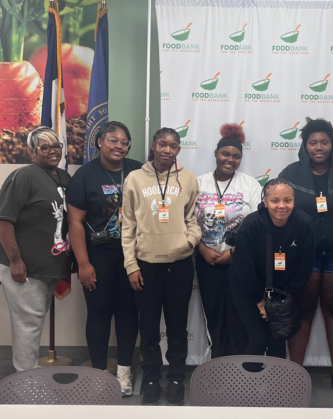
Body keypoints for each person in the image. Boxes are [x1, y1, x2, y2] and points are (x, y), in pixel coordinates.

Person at [279, 117, 333, 400]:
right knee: (301, 313)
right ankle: (293, 376)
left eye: (324, 142)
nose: (319, 147)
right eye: (313, 142)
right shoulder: (291, 174)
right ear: (305, 146)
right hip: (302, 255)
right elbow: (278, 212)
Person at [122, 127, 201, 406]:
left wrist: (190, 242)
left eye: (174, 146)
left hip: (178, 265)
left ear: (179, 150)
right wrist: (131, 265)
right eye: (163, 145)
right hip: (145, 266)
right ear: (153, 146)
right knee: (149, 328)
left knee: (178, 327)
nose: (168, 150)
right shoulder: (134, 179)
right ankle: (152, 379)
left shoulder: (188, 179)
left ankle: (177, 378)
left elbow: (193, 219)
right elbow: (128, 225)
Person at [66, 121, 141, 395]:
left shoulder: (137, 170)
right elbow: (75, 223)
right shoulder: (85, 175)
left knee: (128, 314)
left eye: (124, 142)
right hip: (97, 256)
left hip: (132, 257)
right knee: (98, 315)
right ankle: (98, 373)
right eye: (113, 140)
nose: (119, 146)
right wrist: (83, 264)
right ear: (99, 142)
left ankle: (123, 374)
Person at [0, 127, 72, 371]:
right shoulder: (24, 176)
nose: (53, 151)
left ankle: (29, 379)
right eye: (45, 147)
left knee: (34, 324)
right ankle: (25, 386)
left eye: (56, 146)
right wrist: (15, 260)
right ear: (32, 152)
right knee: (28, 328)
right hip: (24, 268)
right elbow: (4, 220)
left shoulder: (64, 178)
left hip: (51, 266)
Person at [228, 178, 314, 358]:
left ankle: (275, 385)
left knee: (278, 339)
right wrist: (260, 302)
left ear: (294, 201)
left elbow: (303, 268)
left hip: (283, 292)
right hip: (248, 290)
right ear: (265, 202)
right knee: (258, 340)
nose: (282, 206)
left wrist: (283, 301)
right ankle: (247, 384)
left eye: (287, 200)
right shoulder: (251, 225)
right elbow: (244, 268)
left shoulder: (304, 224)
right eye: (275, 201)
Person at [195, 123, 261, 358]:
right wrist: (201, 249)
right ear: (216, 154)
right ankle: (217, 364)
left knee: (239, 314)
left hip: (239, 262)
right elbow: (187, 222)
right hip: (207, 260)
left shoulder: (250, 185)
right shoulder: (198, 183)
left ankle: (240, 367)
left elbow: (256, 225)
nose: (230, 160)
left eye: (236, 156)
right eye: (225, 154)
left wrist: (234, 253)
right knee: (213, 313)